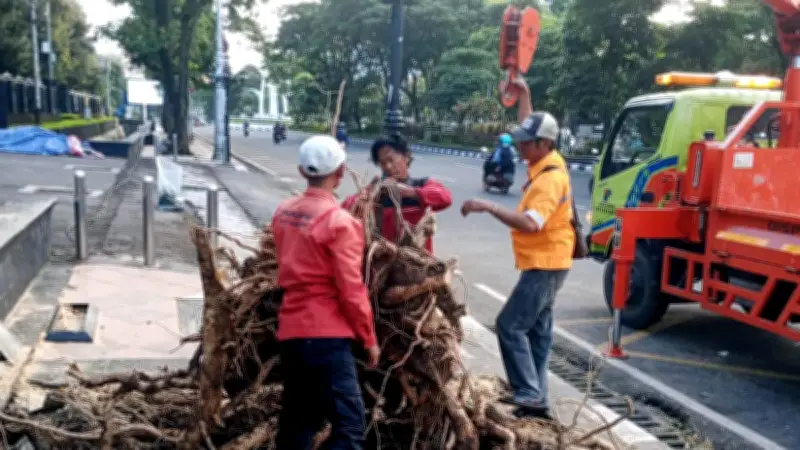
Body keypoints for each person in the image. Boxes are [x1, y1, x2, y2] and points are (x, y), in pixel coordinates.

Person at [460, 76, 574, 421]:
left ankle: (528, 394)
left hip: (546, 263)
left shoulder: (550, 178)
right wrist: (525, 94)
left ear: (543, 144)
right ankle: (537, 401)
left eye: (526, 143)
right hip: (549, 261)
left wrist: (488, 206)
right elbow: (531, 124)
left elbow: (529, 223)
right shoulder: (546, 160)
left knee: (509, 325)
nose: (520, 148)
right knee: (537, 334)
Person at [272, 135, 380, 449]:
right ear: (341, 172)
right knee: (349, 429)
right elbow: (351, 289)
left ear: (302, 171)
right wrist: (369, 338)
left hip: (291, 330)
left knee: (297, 425)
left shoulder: (284, 212)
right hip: (327, 337)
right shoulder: (340, 222)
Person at [342, 133, 453, 253]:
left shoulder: (422, 185)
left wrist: (411, 192)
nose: (388, 166)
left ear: (406, 157)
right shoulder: (376, 191)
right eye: (383, 163)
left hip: (417, 263)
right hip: (383, 262)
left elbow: (445, 198)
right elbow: (345, 209)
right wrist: (365, 199)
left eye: (391, 160)